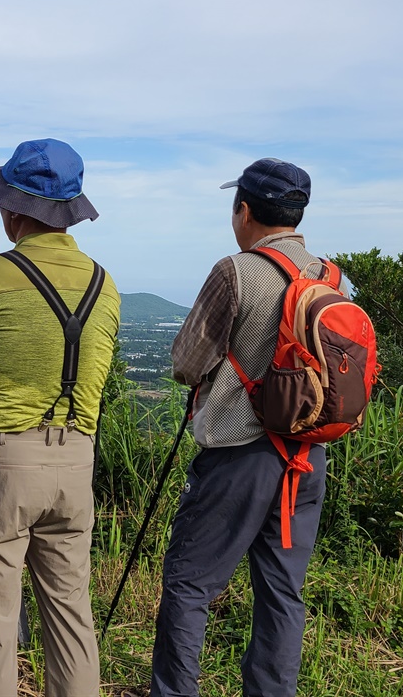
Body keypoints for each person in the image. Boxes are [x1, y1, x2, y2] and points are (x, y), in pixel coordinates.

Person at [0, 139, 120, 697]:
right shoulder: (105, 283)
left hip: (2, 459)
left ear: (15, 210)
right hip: (75, 459)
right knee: (71, 617)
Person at [151, 159, 328, 697]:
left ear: (243, 209)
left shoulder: (237, 270)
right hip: (308, 458)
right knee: (282, 591)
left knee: (189, 584)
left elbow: (186, 361)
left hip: (239, 455)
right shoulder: (334, 277)